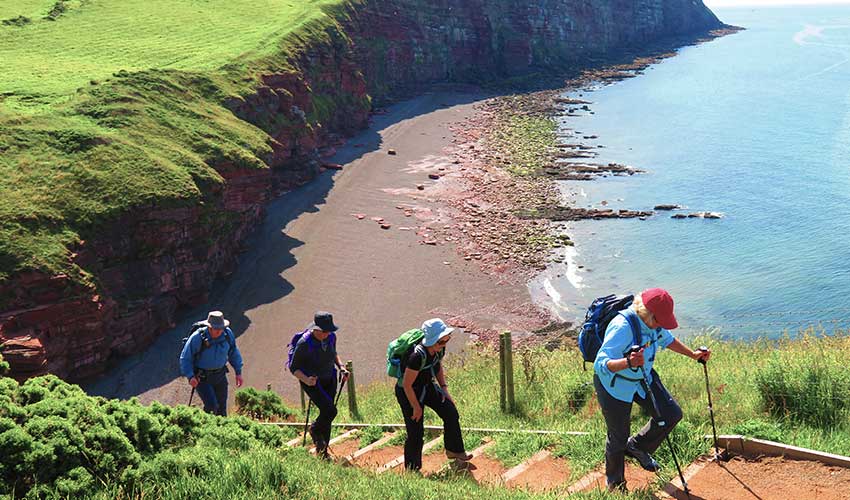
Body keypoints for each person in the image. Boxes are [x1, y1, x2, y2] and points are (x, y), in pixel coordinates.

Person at [593, 288, 710, 493]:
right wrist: (628, 362)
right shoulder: (622, 327)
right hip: (615, 384)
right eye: (661, 320)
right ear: (649, 314)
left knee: (670, 413)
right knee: (618, 435)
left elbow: (668, 340)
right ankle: (615, 485)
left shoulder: (654, 324)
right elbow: (600, 364)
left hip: (643, 377)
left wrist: (693, 355)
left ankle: (637, 446)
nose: (663, 325)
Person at [395, 318, 471, 472]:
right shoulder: (416, 356)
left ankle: (454, 451)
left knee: (450, 412)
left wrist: (444, 389)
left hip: (427, 386)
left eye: (446, 340)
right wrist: (416, 406)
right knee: (415, 431)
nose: (444, 344)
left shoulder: (438, 349)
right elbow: (407, 385)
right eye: (441, 341)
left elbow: (437, 367)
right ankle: (412, 469)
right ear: (432, 340)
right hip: (409, 392)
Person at [289, 311, 349, 457]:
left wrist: (341, 367)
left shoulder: (331, 337)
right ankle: (315, 430)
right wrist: (307, 380)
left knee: (327, 415)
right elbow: (293, 367)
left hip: (330, 378)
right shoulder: (304, 343)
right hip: (312, 383)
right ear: (316, 329)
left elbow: (334, 353)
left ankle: (323, 451)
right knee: (330, 411)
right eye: (325, 331)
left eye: (330, 331)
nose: (328, 333)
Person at [179, 311, 244, 416]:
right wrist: (190, 376)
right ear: (209, 327)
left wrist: (238, 372)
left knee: (222, 407)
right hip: (202, 378)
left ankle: (222, 430)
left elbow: (233, 352)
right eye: (216, 328)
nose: (219, 331)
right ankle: (207, 429)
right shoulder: (198, 337)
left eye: (221, 328)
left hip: (220, 376)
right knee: (211, 406)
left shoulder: (227, 334)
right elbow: (185, 358)